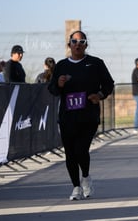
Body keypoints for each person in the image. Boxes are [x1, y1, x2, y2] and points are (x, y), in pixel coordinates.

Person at [48, 30, 114, 201]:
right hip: (67, 116)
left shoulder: (95, 63)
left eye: (81, 41)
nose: (78, 44)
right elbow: (52, 90)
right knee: (70, 153)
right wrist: (59, 84)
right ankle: (76, 186)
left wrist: (99, 95)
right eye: (74, 41)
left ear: (86, 45)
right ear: (69, 44)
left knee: (81, 149)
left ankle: (85, 177)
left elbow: (109, 84)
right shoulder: (62, 66)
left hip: (88, 116)